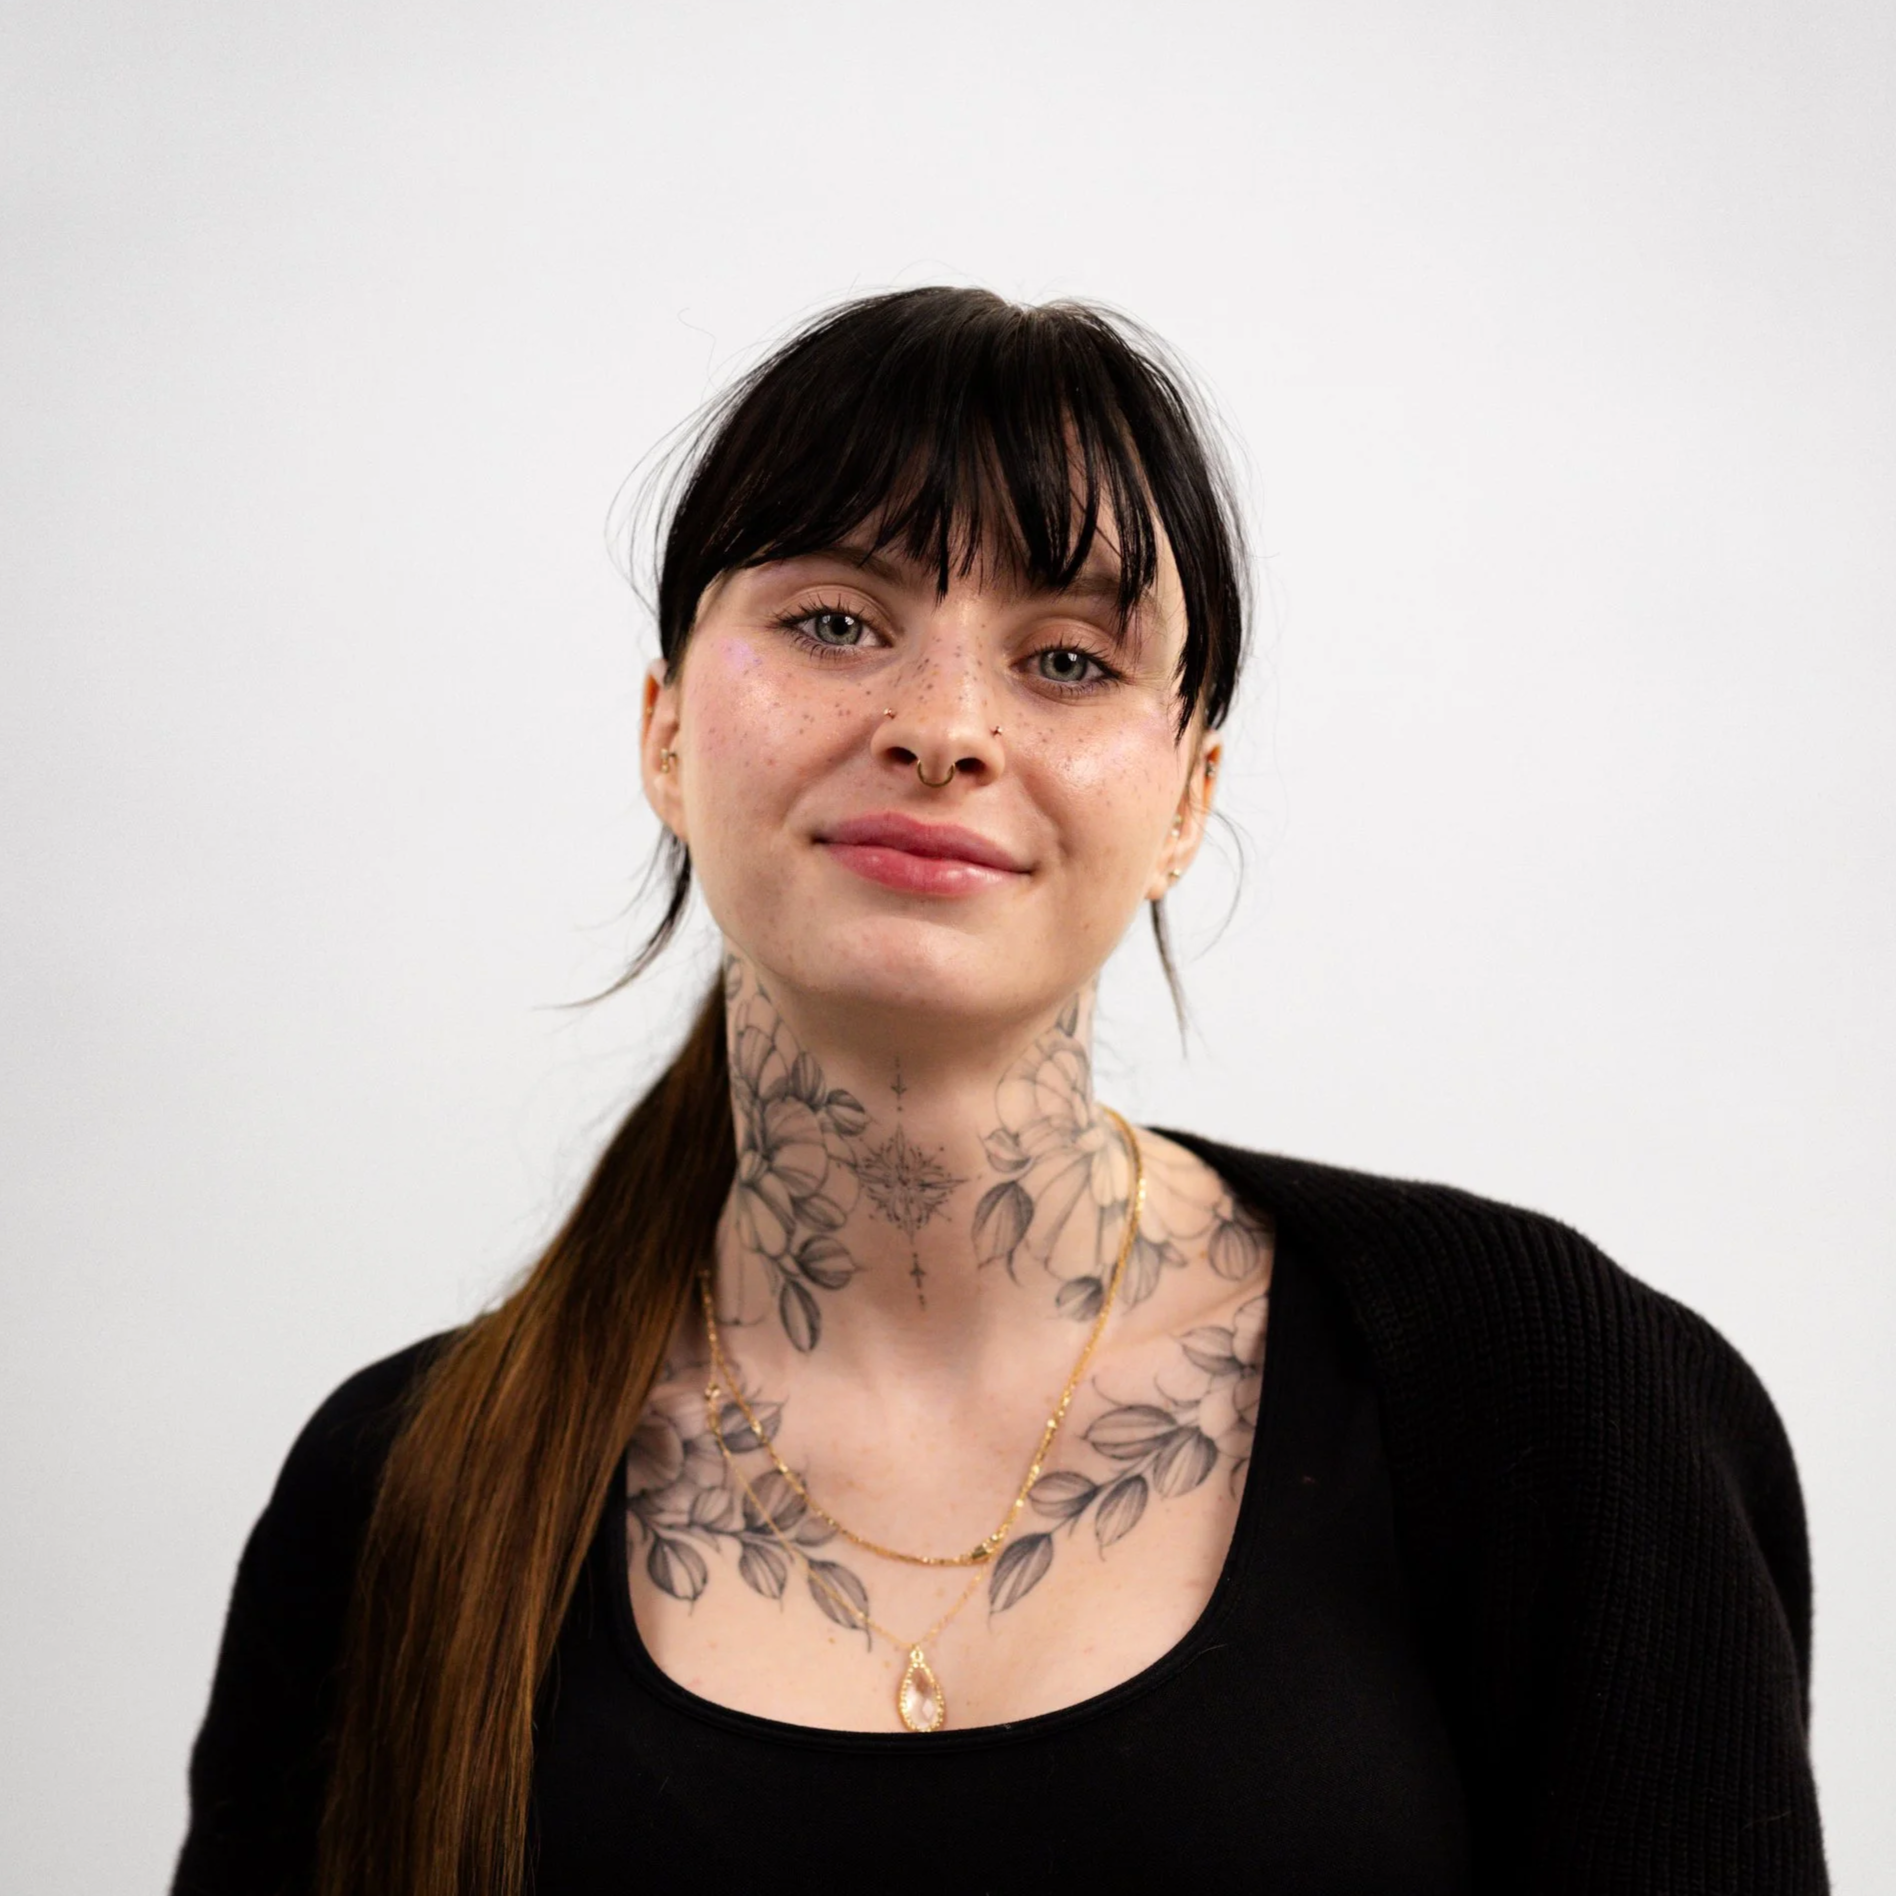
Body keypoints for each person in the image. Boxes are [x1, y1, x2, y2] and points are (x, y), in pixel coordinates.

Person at [172, 287, 1826, 1896]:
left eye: (1066, 659)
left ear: (1190, 796)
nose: (945, 727)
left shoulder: (1545, 1394)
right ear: (667, 730)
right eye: (835, 623)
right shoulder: (401, 1491)